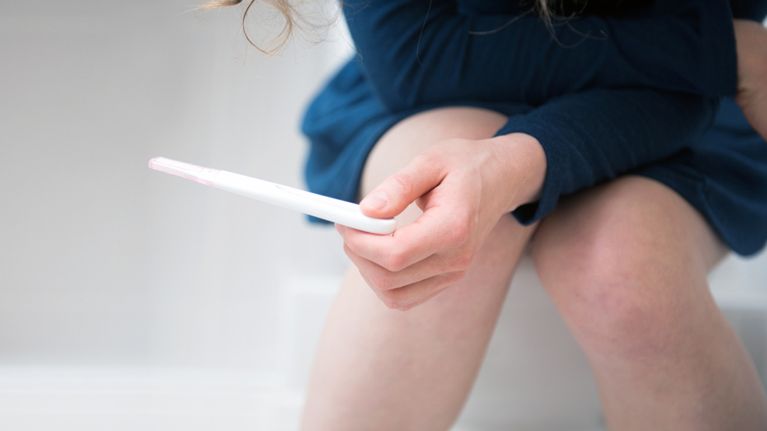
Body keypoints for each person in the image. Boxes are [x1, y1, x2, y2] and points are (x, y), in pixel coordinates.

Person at [211, 0, 767, 429]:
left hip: (672, 105)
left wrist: (514, 163)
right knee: (431, 207)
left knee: (624, 270)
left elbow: (700, 75)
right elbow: (415, 59)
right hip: (444, 71)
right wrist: (712, 52)